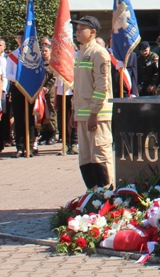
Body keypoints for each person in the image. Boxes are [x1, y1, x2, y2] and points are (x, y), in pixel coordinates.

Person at [71, 15, 114, 188]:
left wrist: (94, 113)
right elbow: (79, 86)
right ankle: (93, 195)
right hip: (83, 114)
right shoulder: (81, 53)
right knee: (86, 158)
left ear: (93, 32)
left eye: (82, 29)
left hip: (97, 116)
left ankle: (108, 196)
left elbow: (101, 86)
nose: (77, 32)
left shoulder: (99, 53)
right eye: (77, 29)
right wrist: (74, 111)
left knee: (100, 156)